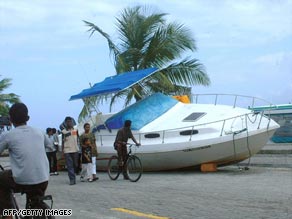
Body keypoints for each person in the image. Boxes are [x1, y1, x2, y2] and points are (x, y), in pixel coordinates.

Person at [0, 103, 50, 218]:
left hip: (22, 181)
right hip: (43, 178)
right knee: (34, 199)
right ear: (28, 118)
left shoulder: (8, 135)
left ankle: (8, 214)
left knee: (1, 180)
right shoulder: (39, 131)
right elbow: (51, 146)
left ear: (10, 119)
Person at [61, 116, 79, 185]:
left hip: (75, 149)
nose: (69, 123)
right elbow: (62, 141)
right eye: (68, 122)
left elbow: (77, 138)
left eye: (70, 121)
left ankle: (73, 175)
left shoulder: (75, 129)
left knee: (75, 165)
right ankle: (72, 179)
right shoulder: (64, 131)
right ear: (65, 123)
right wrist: (63, 150)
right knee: (69, 165)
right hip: (67, 150)